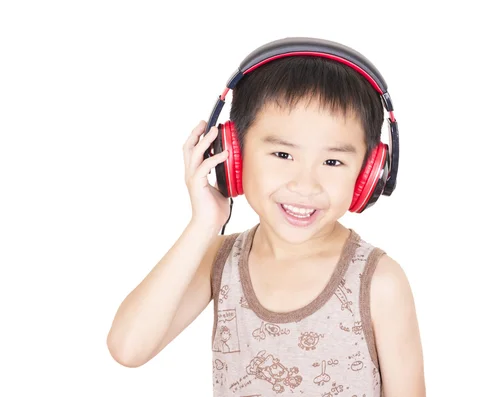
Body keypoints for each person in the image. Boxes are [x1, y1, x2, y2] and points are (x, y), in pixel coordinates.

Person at [107, 38, 425, 396]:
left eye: (333, 162)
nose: (305, 185)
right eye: (282, 154)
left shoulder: (379, 281)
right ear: (232, 154)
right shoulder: (220, 260)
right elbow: (128, 348)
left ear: (369, 173)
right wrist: (204, 223)